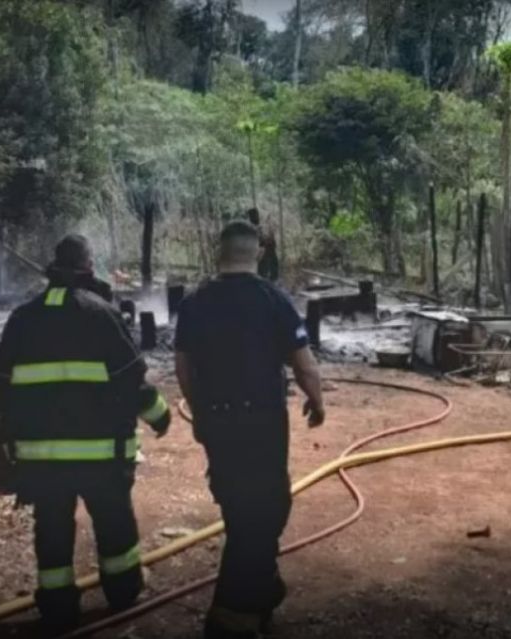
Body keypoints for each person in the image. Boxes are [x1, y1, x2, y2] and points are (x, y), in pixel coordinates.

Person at [0, 234, 171, 637]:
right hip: (101, 457)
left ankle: (56, 607)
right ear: (88, 269)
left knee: (51, 528)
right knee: (113, 522)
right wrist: (160, 416)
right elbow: (132, 383)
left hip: (41, 460)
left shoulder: (23, 319)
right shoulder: (100, 315)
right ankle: (122, 593)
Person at [174, 221, 326, 639]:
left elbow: (182, 365)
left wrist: (201, 410)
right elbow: (303, 361)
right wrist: (317, 400)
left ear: (218, 251)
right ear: (257, 253)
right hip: (261, 421)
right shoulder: (272, 299)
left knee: (238, 503)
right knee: (265, 509)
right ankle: (232, 614)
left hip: (218, 420)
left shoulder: (194, 303)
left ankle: (263, 589)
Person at [246, 207, 280, 282]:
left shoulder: (261, 227)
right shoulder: (250, 229)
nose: (256, 217)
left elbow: (270, 240)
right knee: (263, 275)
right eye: (254, 215)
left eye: (256, 215)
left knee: (271, 274)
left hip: (267, 254)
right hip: (260, 255)